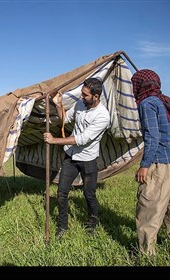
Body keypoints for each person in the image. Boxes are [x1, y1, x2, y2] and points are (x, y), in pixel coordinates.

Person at [43, 77, 110, 238]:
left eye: (85, 95)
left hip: (88, 159)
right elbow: (66, 119)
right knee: (61, 192)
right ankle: (63, 227)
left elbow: (82, 139)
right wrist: (58, 105)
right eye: (82, 93)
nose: (82, 97)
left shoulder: (103, 116)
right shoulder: (80, 104)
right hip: (70, 156)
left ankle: (92, 224)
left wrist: (54, 141)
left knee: (89, 194)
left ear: (96, 96)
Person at [131, 69, 170, 256]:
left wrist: (145, 165)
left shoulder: (147, 104)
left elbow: (152, 137)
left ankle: (147, 253)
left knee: (150, 208)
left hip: (160, 164)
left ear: (140, 85)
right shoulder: (167, 100)